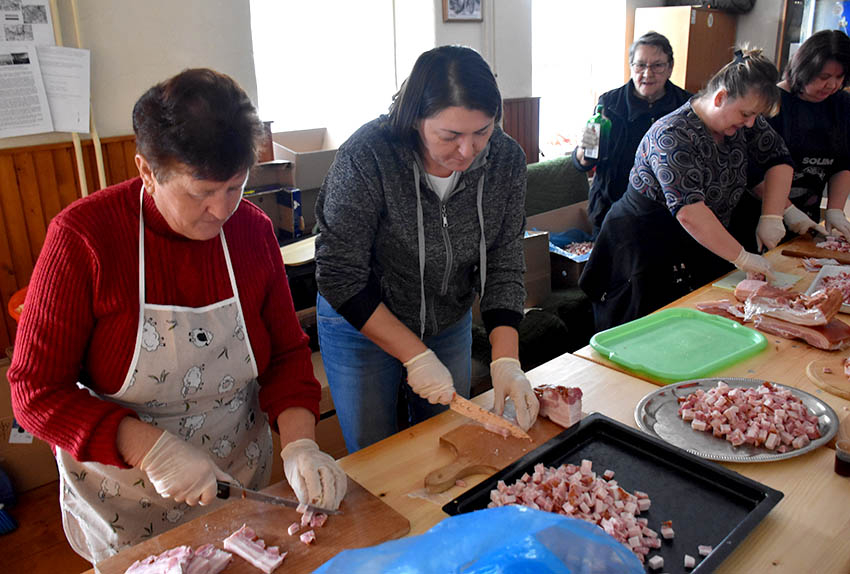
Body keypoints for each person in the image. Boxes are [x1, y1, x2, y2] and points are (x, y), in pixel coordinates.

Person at [7, 69, 346, 564]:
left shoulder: (252, 232)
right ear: (147, 171)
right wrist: (151, 449)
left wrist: (300, 446)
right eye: (200, 192)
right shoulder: (84, 238)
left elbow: (286, 355)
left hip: (236, 477)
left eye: (235, 187)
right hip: (128, 498)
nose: (221, 210)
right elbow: (34, 392)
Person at [314, 45, 539, 453]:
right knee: (375, 454)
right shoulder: (367, 157)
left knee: (446, 444)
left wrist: (506, 360)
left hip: (446, 318)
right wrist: (415, 356)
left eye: (482, 132)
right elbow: (339, 273)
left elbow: (504, 259)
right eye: (450, 136)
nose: (467, 151)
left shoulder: (505, 160)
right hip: (361, 322)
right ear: (416, 118)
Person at [579, 48, 794, 331]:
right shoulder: (672, 134)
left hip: (701, 237)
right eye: (746, 114)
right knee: (645, 330)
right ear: (720, 98)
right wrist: (742, 257)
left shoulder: (743, 122)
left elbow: (779, 160)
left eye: (755, 115)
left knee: (700, 324)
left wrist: (772, 216)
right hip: (643, 242)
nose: (751, 122)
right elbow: (689, 213)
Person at [730, 30, 850, 251]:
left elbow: (843, 161)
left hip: (807, 218)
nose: (832, 85)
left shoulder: (842, 104)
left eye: (839, 77)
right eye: (824, 77)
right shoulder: (772, 103)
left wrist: (835, 209)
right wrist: (786, 211)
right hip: (759, 214)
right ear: (804, 69)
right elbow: (750, 168)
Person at [574, 31, 692, 239]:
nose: (647, 73)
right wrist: (584, 151)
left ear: (670, 68)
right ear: (631, 66)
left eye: (657, 65)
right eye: (640, 65)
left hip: (667, 216)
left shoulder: (686, 105)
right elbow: (583, 161)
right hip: (611, 211)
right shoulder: (609, 103)